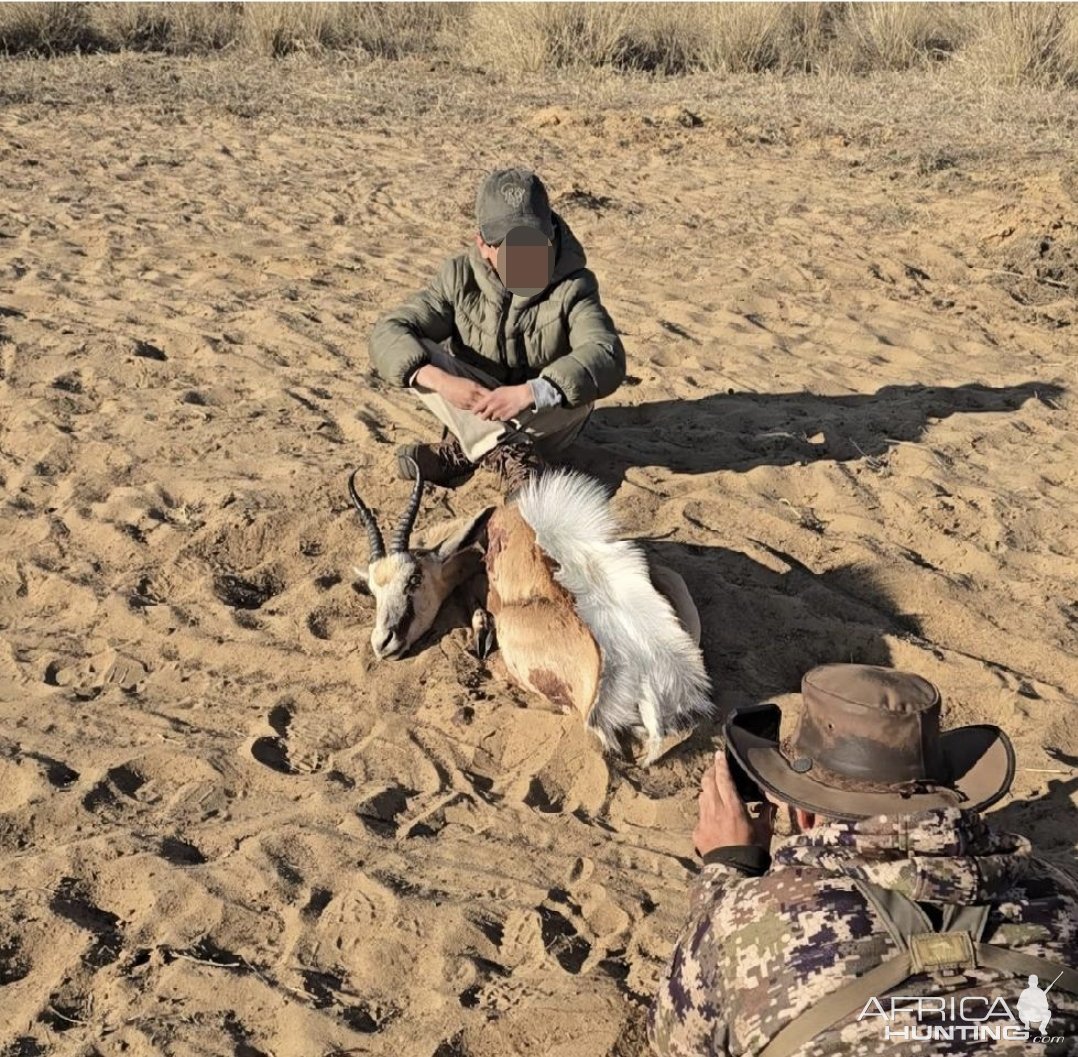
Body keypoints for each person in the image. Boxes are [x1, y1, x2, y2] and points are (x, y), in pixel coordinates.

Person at [649, 663, 1078, 1056]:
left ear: (803, 812)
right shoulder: (1061, 898)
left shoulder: (747, 917)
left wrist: (729, 869)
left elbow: (676, 1038)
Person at [368, 167, 626, 492]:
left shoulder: (575, 285)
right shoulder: (457, 278)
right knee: (418, 357)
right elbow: (389, 332)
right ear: (483, 244)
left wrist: (531, 392)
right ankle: (506, 454)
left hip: (542, 417)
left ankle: (465, 452)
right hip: (477, 404)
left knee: (579, 386)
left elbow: (605, 353)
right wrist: (444, 383)